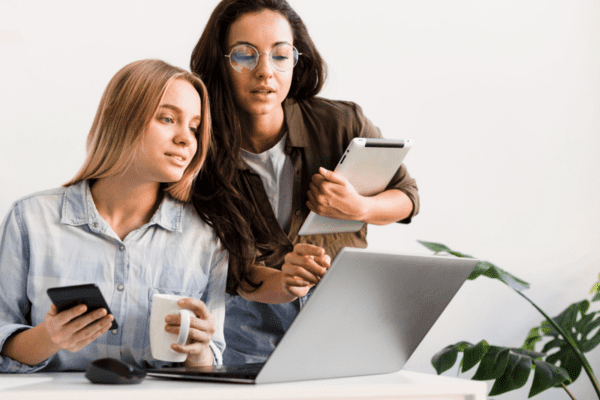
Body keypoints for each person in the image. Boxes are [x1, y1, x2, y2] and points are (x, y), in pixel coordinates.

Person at [0, 59, 323, 373]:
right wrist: (49, 337)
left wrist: (199, 351)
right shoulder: (31, 220)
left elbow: (210, 357)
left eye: (194, 127)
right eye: (168, 119)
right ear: (118, 118)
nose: (186, 139)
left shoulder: (206, 236)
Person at [190, 0, 420, 365]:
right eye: (244, 55)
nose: (265, 71)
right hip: (245, 330)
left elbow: (407, 197)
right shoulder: (198, 148)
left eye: (281, 55)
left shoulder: (341, 123)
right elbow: (230, 271)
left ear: (297, 60)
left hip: (341, 320)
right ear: (220, 62)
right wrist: (286, 281)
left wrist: (360, 207)